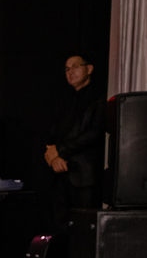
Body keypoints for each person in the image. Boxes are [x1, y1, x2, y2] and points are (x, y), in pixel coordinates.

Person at [43, 54, 105, 232]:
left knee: (84, 228)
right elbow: (51, 136)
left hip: (84, 175)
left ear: (89, 69)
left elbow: (94, 133)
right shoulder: (63, 101)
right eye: (67, 69)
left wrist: (61, 151)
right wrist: (54, 158)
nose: (71, 72)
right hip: (60, 173)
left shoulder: (99, 98)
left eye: (76, 67)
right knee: (60, 227)